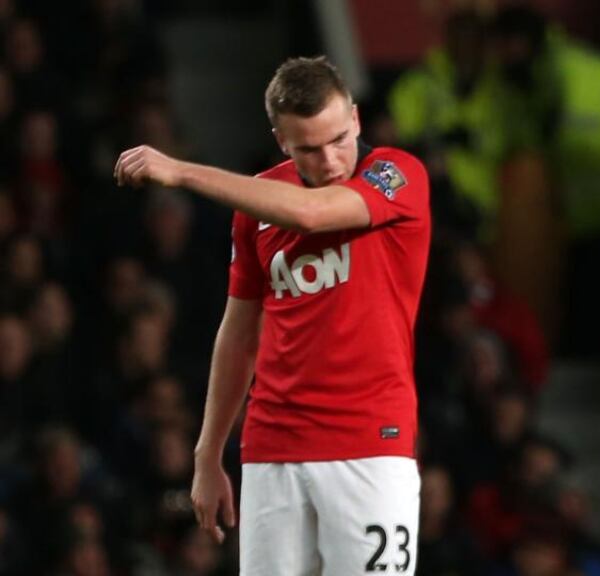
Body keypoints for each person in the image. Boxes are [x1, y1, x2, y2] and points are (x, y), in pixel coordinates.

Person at [113, 56, 431, 574]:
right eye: (309, 147)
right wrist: (208, 451)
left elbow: (312, 212)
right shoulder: (256, 209)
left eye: (338, 139)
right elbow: (238, 335)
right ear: (282, 141)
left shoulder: (398, 176)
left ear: (355, 118)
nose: (330, 161)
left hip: (370, 446)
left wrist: (181, 170)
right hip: (271, 448)